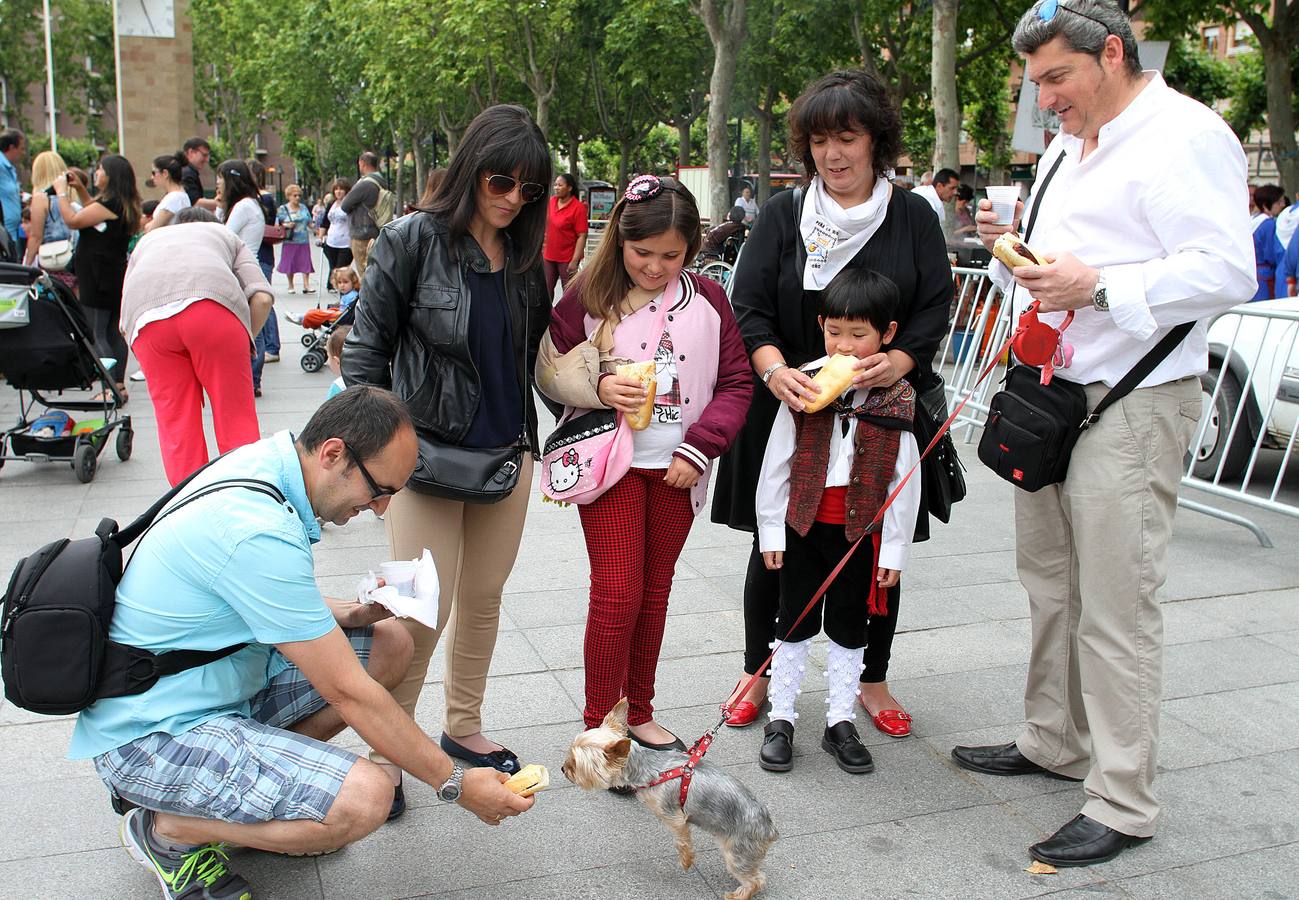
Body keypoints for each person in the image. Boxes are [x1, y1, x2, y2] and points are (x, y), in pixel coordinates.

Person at [951, 0, 1256, 868]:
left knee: (1116, 607)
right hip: (1050, 394)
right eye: (1034, 82)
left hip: (1132, 400)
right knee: (1049, 582)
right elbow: (1062, 260)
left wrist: (1101, 286)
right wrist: (1013, 248)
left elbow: (1225, 266)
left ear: (1112, 53)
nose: (1045, 98)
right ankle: (1055, 739)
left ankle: (1122, 799)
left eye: (1057, 77)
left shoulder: (1183, 135)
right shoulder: (1067, 144)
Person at [71, 387, 534, 899]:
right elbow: (349, 693)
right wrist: (455, 784)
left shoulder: (268, 463)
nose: (380, 508)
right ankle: (170, 830)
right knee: (366, 798)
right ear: (333, 453)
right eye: (379, 489)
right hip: (149, 738)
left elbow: (254, 594)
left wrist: (351, 613)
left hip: (207, 690)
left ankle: (258, 801)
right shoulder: (255, 530)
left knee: (390, 644)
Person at [711, 69, 951, 739]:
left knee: (876, 544)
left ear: (876, 140)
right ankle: (758, 668)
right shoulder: (786, 214)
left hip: (882, 409)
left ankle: (871, 674)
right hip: (790, 403)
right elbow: (749, 305)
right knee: (775, 544)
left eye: (847, 137)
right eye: (819, 140)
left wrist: (897, 362)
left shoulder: (910, 216)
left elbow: (934, 306)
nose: (832, 155)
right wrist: (773, 370)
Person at [342, 104, 552, 791]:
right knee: (413, 606)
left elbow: (537, 357)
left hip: (505, 452)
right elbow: (365, 356)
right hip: (421, 456)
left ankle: (463, 725)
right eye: (501, 182)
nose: (512, 200)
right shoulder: (410, 239)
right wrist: (373, 467)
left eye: (528, 190)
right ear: (470, 171)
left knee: (484, 597)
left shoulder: (525, 257)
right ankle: (386, 755)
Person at [536, 173, 751, 745]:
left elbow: (736, 382)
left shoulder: (708, 298)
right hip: (610, 468)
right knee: (616, 591)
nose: (655, 267)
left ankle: (638, 711)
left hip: (679, 471)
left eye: (671, 255)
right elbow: (550, 370)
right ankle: (600, 725)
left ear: (693, 250)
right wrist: (599, 388)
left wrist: (700, 447)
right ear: (620, 242)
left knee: (654, 592)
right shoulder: (590, 294)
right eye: (642, 253)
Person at [755, 267, 921, 776]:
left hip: (859, 537)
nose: (845, 346)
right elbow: (776, 461)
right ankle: (781, 716)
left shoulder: (897, 397)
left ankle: (839, 721)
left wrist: (893, 550)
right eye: (834, 332)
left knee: (852, 627)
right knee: (793, 621)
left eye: (859, 334)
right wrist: (771, 530)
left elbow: (903, 482)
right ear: (821, 325)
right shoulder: (804, 386)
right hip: (804, 528)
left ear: (886, 335)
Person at [121, 208, 272, 484]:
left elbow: (126, 308)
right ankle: (246, 493)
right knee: (235, 419)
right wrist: (243, 338)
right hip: (212, 313)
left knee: (176, 424)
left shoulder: (149, 240)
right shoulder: (225, 234)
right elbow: (262, 298)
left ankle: (188, 502)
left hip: (147, 321)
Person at [64, 155, 142, 400]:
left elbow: (74, 220)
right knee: (112, 331)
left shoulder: (109, 203)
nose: (96, 173)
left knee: (96, 331)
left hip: (96, 275)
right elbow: (93, 213)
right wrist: (80, 190)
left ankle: (109, 388)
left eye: (100, 169)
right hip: (112, 273)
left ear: (111, 175)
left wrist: (61, 194)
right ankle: (117, 385)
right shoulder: (121, 203)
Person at [217, 159, 273, 397]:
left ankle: (251, 379)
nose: (217, 182)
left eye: (220, 177)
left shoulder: (243, 207)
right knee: (252, 327)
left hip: (242, 271)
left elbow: (224, 235)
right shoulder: (250, 204)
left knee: (252, 329)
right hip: (248, 268)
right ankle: (252, 379)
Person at [20, 150, 72, 270]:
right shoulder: (69, 195)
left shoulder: (40, 198)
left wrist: (26, 265)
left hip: (51, 259)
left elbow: (36, 236)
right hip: (72, 258)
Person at [340, 151, 386, 279]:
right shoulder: (381, 182)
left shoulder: (366, 184)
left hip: (362, 234)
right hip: (376, 231)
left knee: (365, 274)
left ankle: (368, 299)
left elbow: (345, 205)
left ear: (362, 163)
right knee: (375, 271)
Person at [542, 171, 587, 298]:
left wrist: (575, 260)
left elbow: (581, 236)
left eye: (560, 185)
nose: (556, 188)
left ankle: (567, 318)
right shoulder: (551, 202)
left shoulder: (578, 208)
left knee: (569, 294)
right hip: (549, 256)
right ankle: (546, 317)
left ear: (569, 188)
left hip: (567, 258)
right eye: (555, 185)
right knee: (546, 290)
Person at [277, 183, 316, 293]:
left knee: (305, 262)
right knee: (290, 263)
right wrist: (286, 225)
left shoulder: (303, 207)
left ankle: (306, 285)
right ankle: (290, 285)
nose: (297, 198)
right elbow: (278, 223)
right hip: (290, 240)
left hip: (303, 240)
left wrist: (316, 228)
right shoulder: (283, 208)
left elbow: (309, 222)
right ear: (288, 196)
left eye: (299, 195)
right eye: (294, 195)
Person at [318, 177, 355, 291]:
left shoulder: (350, 205)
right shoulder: (331, 204)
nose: (338, 191)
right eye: (336, 189)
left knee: (341, 267)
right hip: (331, 240)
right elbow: (325, 222)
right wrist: (320, 237)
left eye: (341, 189)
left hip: (345, 242)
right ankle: (333, 284)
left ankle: (342, 288)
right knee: (333, 266)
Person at [142, 152, 192, 232]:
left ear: (165, 173)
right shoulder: (180, 195)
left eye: (154, 172)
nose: (152, 177)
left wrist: (147, 225)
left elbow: (151, 228)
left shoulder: (174, 198)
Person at [1, 129, 26, 251]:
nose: (23, 152)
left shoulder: (9, 168)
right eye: (21, 148)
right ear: (12, 147)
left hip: (13, 231)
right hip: (4, 232)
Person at [180, 137, 217, 210]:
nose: (207, 160)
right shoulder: (187, 173)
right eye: (204, 155)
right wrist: (223, 203)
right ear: (191, 152)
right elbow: (195, 203)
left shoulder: (185, 171)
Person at [326, 323, 352, 399]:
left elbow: (329, 410)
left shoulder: (339, 386)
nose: (328, 361)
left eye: (328, 356)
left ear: (337, 362)